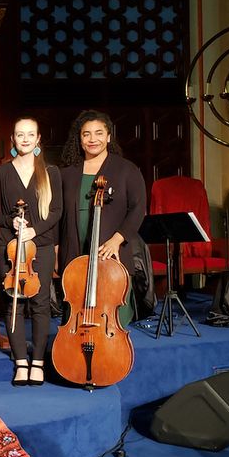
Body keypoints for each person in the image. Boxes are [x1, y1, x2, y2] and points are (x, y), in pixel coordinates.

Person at [0, 117, 62, 386]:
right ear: (13, 139)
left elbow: (56, 211)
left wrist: (34, 230)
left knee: (40, 304)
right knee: (13, 303)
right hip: (9, 246)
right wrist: (12, 221)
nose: (26, 139)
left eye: (31, 134)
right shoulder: (1, 173)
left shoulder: (50, 172)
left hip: (39, 246)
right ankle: (20, 362)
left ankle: (38, 361)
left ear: (38, 138)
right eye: (20, 134)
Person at [58, 109, 146, 325]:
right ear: (79, 139)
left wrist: (117, 239)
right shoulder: (67, 172)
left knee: (112, 316)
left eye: (98, 133)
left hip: (111, 252)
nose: (92, 139)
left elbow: (138, 209)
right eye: (86, 134)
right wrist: (55, 246)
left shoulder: (126, 169)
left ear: (108, 137)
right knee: (76, 312)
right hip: (73, 249)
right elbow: (57, 213)